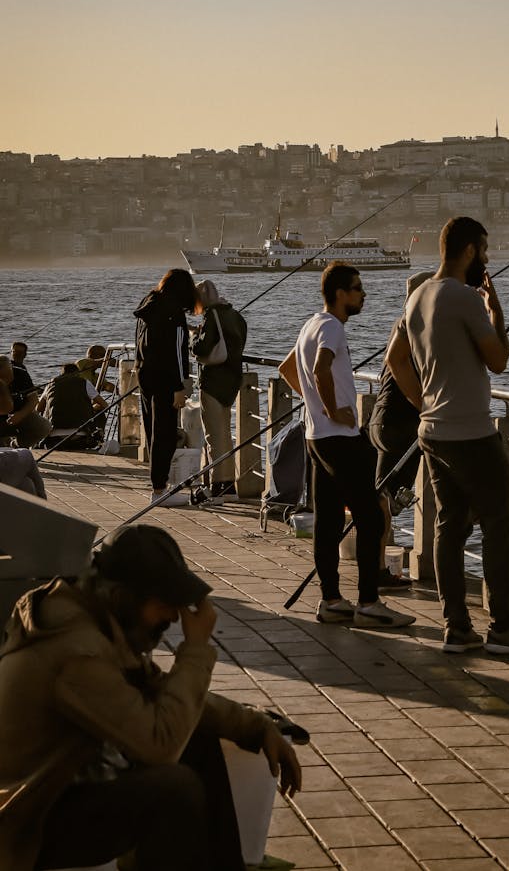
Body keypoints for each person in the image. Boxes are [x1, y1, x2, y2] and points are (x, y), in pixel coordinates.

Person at [0, 523, 301, 871]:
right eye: (164, 605)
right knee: (172, 790)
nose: (174, 617)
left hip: (59, 791)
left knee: (196, 741)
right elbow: (160, 745)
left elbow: (163, 696)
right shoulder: (76, 653)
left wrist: (257, 725)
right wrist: (196, 648)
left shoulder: (93, 619)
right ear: (125, 598)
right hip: (23, 826)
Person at [388, 216, 509, 656]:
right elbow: (498, 360)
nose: (487, 258)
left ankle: (456, 627)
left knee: (450, 526)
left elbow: (394, 359)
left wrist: (422, 402)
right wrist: (496, 311)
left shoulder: (418, 294)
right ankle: (503, 627)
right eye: (484, 250)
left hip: (433, 432)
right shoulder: (463, 298)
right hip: (471, 433)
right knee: (501, 522)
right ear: (468, 251)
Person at [279, 262, 415, 630]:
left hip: (315, 438)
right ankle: (369, 603)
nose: (363, 294)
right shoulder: (332, 328)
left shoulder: (310, 324)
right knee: (371, 518)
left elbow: (287, 370)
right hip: (338, 437)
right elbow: (321, 369)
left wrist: (314, 408)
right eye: (357, 288)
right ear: (340, 293)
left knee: (327, 521)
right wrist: (331, 409)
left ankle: (331, 601)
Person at [368, 271, 434, 591]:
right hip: (397, 425)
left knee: (383, 499)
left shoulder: (402, 323)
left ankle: (377, 568)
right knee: (386, 501)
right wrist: (423, 405)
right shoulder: (415, 325)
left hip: (381, 420)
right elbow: (399, 363)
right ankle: (376, 571)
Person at [134, 268, 198, 506]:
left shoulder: (149, 304)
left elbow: (153, 341)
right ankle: (159, 492)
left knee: (154, 432)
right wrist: (181, 385)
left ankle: (158, 485)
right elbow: (177, 354)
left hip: (145, 375)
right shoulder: (174, 313)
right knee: (167, 435)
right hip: (166, 381)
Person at [190, 279, 248, 507]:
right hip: (232, 380)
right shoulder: (235, 315)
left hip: (213, 381)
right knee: (225, 434)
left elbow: (202, 348)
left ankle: (217, 488)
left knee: (214, 436)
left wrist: (195, 337)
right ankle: (229, 486)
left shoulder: (211, 316)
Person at [39, 362, 106, 446]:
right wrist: (91, 408)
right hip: (81, 438)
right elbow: (104, 405)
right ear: (77, 373)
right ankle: (100, 440)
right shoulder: (84, 382)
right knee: (100, 413)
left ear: (62, 374)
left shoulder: (50, 384)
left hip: (54, 438)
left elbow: (38, 408)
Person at [0, 355, 51, 448]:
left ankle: (17, 446)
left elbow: (34, 399)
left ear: (11, 367)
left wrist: (20, 415)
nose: (5, 381)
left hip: (19, 414)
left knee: (43, 426)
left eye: (8, 376)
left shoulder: (21, 374)